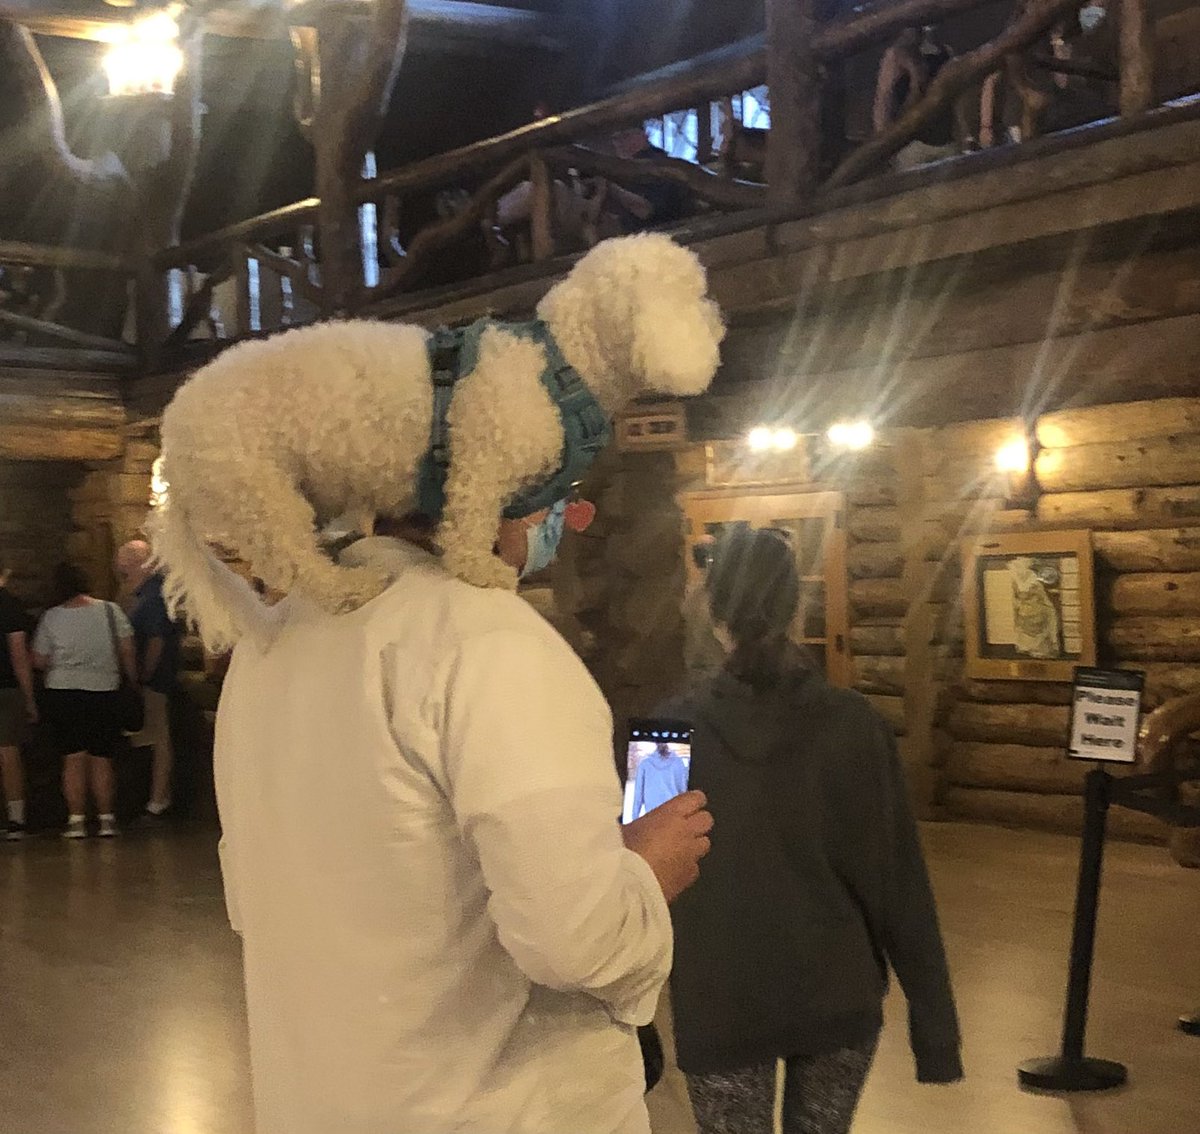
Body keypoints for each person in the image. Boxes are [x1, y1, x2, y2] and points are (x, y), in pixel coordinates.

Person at [202, 502, 713, 1134]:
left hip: (321, 1098)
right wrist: (646, 870)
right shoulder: (488, 638)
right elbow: (575, 941)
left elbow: (259, 897)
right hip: (495, 1103)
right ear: (500, 487)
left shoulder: (269, 645)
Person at [661, 527, 962, 1134]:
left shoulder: (664, 736)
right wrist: (936, 1029)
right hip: (836, 992)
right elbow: (898, 883)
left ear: (713, 615)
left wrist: (631, 1016)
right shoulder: (856, 725)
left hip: (720, 1000)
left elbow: (644, 885)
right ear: (796, 609)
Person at [32, 563, 138, 839]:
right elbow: (127, 649)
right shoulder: (110, 611)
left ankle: (76, 821)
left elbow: (39, 660)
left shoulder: (52, 617)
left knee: (73, 758)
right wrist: (131, 680)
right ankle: (106, 819)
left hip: (63, 692)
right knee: (102, 757)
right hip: (104, 689)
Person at [116, 540, 181, 817]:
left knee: (159, 738)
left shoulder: (153, 597)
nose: (122, 571)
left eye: (126, 565)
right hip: (152, 677)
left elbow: (156, 639)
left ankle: (158, 798)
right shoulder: (144, 595)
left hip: (156, 679)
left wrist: (144, 674)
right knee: (151, 737)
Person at [0, 566, 36, 840]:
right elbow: (19, 654)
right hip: (6, 687)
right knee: (8, 752)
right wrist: (29, 697)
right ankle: (16, 818)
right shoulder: (10, 605)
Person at [631, 742, 690, 820]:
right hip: (673, 815)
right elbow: (683, 792)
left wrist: (634, 818)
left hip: (652, 816)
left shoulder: (645, 764)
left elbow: (638, 795)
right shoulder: (678, 763)